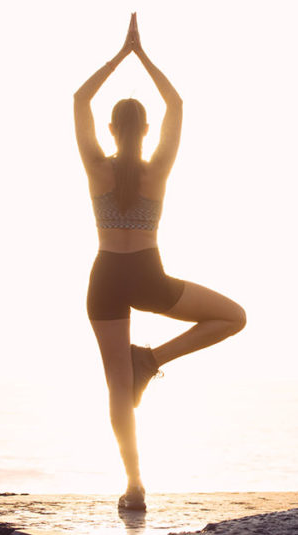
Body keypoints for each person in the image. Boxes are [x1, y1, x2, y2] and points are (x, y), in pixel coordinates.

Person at [73, 13, 246, 511]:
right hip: (148, 276)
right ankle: (152, 359)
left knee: (117, 388)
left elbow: (80, 99)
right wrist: (143, 56)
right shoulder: (159, 169)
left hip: (105, 277)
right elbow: (177, 103)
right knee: (234, 317)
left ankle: (133, 485)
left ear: (110, 128)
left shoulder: (96, 167)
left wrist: (119, 56)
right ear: (147, 130)